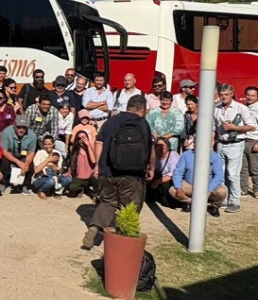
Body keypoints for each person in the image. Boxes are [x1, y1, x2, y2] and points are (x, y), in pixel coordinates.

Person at [82, 95, 154, 250]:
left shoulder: (111, 122)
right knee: (130, 206)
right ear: (142, 109)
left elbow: (99, 143)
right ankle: (122, 238)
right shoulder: (143, 124)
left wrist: (98, 166)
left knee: (108, 202)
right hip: (133, 175)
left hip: (109, 171)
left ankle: (95, 227)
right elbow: (150, 149)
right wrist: (151, 168)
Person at [214, 83, 257, 214]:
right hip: (220, 143)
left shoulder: (241, 108)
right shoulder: (216, 109)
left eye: (226, 95)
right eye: (221, 95)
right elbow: (213, 128)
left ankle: (235, 201)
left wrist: (235, 128)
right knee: (221, 174)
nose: (223, 97)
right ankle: (224, 198)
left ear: (231, 94)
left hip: (236, 143)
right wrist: (211, 145)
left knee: (233, 174)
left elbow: (252, 126)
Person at [169, 147, 227, 216]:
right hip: (190, 184)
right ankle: (190, 202)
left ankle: (213, 206)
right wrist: (178, 187)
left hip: (208, 185)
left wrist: (209, 190)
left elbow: (219, 176)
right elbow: (178, 172)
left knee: (223, 191)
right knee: (173, 190)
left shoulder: (214, 156)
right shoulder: (186, 155)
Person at [0, 116, 37, 196]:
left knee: (30, 166)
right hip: (10, 154)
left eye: (24, 127)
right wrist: (18, 162)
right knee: (4, 162)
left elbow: (31, 152)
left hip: (24, 155)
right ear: (14, 125)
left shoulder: (32, 136)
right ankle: (3, 183)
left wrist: (26, 164)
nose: (21, 129)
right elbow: (4, 151)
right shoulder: (6, 132)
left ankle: (25, 185)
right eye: (19, 127)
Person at [67, 128, 98, 198]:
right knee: (72, 187)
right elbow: (72, 163)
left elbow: (93, 161)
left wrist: (88, 145)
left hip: (90, 176)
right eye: (79, 138)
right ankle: (81, 189)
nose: (82, 140)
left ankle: (95, 194)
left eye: (84, 137)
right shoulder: (75, 151)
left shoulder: (91, 149)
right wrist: (69, 171)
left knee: (96, 180)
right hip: (80, 177)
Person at [241, 86, 258, 197]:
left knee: (255, 168)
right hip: (242, 140)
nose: (250, 97)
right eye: (248, 95)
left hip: (254, 140)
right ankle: (243, 189)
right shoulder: (244, 107)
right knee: (243, 169)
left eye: (253, 95)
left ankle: (257, 190)